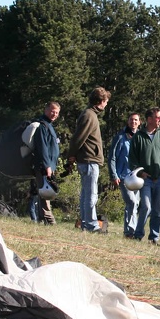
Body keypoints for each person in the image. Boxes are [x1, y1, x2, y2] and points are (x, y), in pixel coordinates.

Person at [68, 87, 111, 234]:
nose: (106, 105)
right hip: (89, 160)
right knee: (91, 195)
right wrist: (72, 155)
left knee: (87, 194)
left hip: (89, 160)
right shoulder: (89, 115)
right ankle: (91, 225)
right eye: (106, 101)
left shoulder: (90, 114)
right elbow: (78, 137)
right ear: (101, 101)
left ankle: (86, 223)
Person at [128, 107, 160, 245]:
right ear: (150, 119)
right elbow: (132, 159)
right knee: (146, 206)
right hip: (145, 179)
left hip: (159, 179)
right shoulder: (138, 137)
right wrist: (141, 173)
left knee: (157, 209)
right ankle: (138, 234)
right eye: (158, 117)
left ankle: (154, 237)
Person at [108, 112, 142, 238]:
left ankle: (131, 232)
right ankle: (129, 231)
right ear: (128, 121)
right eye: (131, 120)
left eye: (136, 120)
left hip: (137, 177)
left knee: (136, 204)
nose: (133, 122)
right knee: (132, 202)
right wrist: (114, 175)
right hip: (123, 176)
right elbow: (112, 157)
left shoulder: (140, 138)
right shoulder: (120, 137)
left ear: (139, 122)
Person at [31, 101, 61, 225]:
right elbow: (42, 147)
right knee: (45, 191)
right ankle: (49, 220)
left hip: (49, 166)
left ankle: (43, 219)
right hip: (44, 166)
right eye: (52, 111)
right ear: (46, 110)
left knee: (46, 191)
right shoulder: (42, 126)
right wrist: (47, 165)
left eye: (57, 113)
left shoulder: (49, 125)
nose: (54, 114)